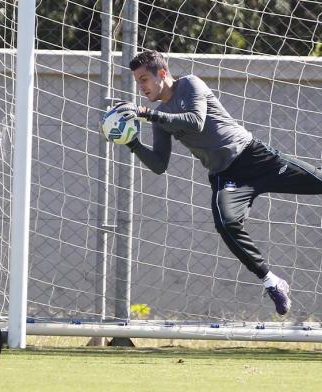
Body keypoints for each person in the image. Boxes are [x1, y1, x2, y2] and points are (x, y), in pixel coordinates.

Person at [108, 49, 322, 316]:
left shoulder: (190, 84)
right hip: (227, 176)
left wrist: (145, 114)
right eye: (138, 81)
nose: (140, 87)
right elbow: (159, 165)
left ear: (162, 73)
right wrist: (133, 143)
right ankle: (272, 281)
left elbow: (196, 122)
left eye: (143, 79)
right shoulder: (159, 117)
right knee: (225, 223)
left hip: (253, 157)